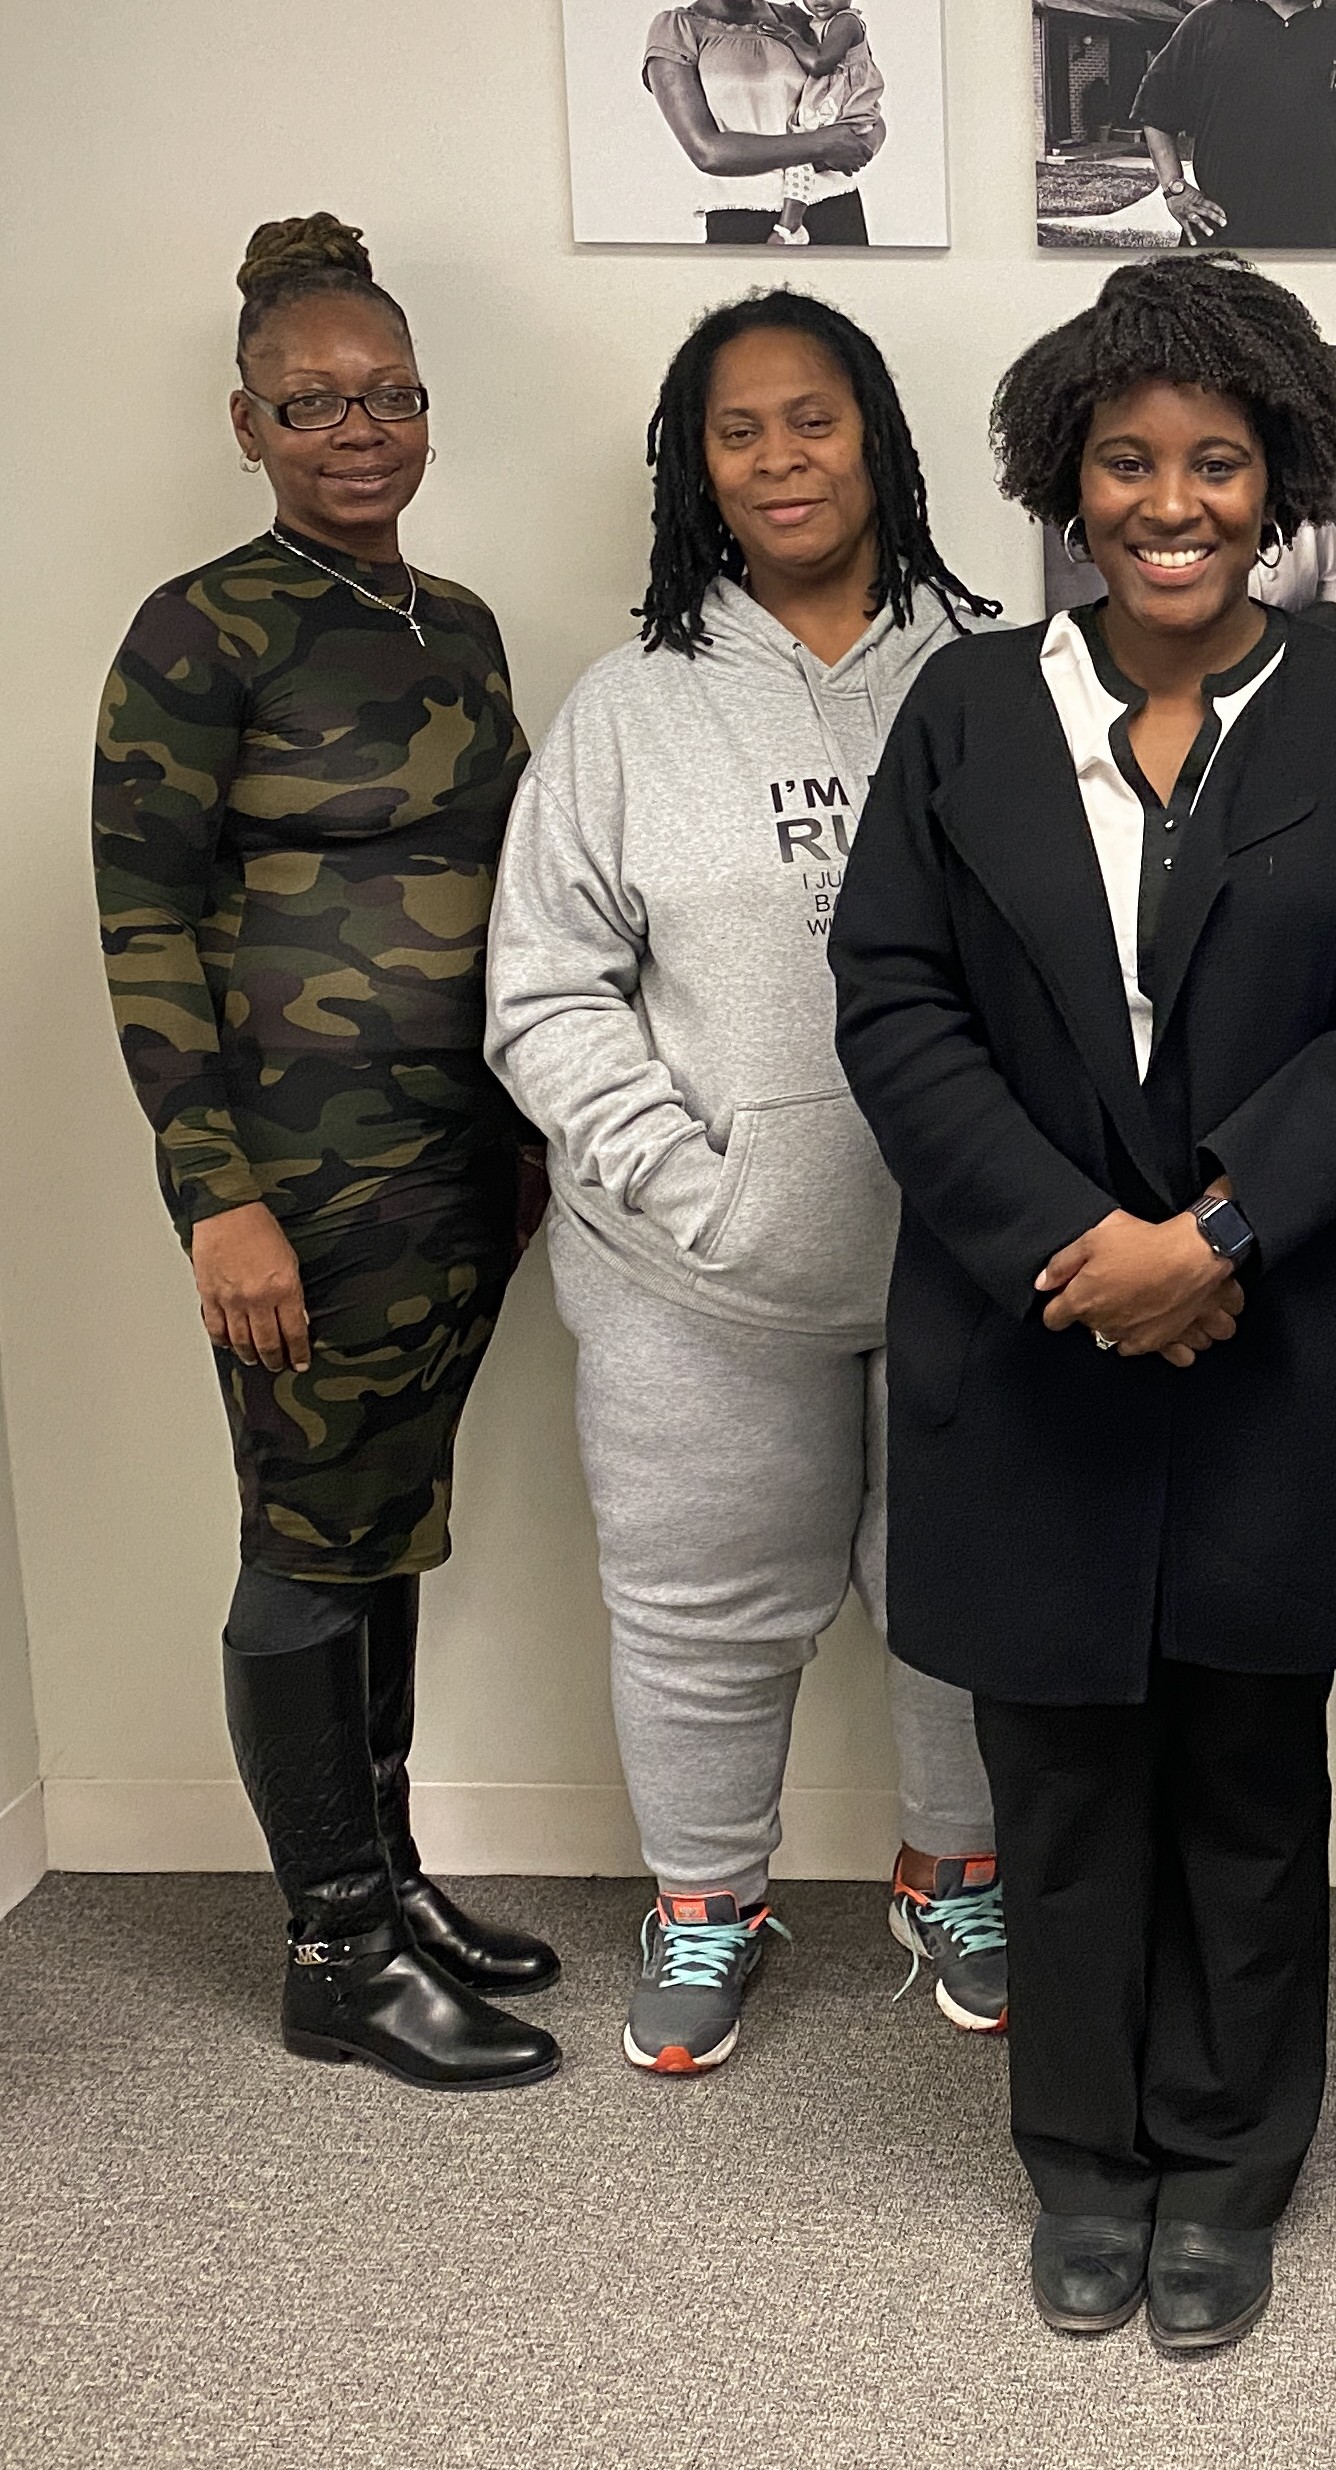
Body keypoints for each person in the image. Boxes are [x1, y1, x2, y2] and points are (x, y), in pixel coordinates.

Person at [830, 254, 1336, 2357]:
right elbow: (894, 1001)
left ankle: (1224, 2156)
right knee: (1063, 1774)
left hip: (1270, 1331)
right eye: (1126, 459)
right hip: (1022, 1336)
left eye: (1215, 458)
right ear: (1063, 476)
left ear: (1277, 476)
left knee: (1242, 1771)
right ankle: (1080, 2157)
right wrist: (1075, 1250)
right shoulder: (961, 707)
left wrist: (1209, 1239)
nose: (1168, 499)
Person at [486, 290, 1009, 2079]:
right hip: (698, 1271)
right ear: (693, 468)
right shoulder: (627, 709)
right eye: (739, 430)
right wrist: (682, 1180)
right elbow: (541, 988)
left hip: (965, 1260)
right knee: (700, 1603)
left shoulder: (1000, 674)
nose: (781, 457)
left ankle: (956, 1868)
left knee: (967, 1590)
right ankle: (706, 1901)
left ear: (877, 435)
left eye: (814, 418)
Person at [93, 214, 559, 2091]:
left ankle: (388, 1871)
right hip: (295, 1190)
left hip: (453, 1173)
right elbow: (140, 922)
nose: (356, 430)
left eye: (387, 397)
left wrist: (525, 1147)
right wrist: (216, 1200)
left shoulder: (452, 622)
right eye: (314, 403)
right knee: (304, 1541)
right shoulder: (198, 629)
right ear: (247, 418)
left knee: (381, 1532)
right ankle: (333, 1950)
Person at [1136, 0, 1336, 252]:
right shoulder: (1209, 21)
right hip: (1221, 235)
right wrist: (1175, 188)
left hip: (1326, 238)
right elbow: (1156, 109)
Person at [643, 0, 884, 248]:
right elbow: (706, 152)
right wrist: (823, 145)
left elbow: (863, 106)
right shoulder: (677, 29)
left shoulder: (798, 19)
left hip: (835, 205)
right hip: (743, 215)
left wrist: (861, 144)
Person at [767, 1, 875, 248]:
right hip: (832, 102)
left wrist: (789, 37)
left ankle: (789, 227)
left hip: (846, 106)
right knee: (802, 154)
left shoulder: (845, 22)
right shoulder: (821, 22)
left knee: (800, 153)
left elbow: (820, 64)